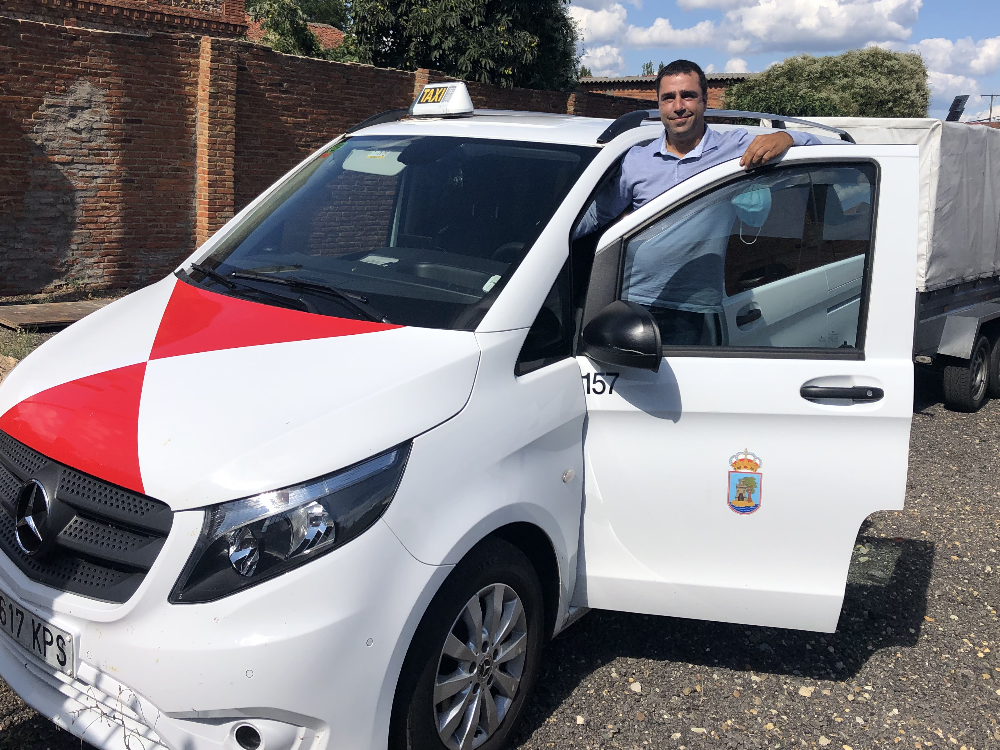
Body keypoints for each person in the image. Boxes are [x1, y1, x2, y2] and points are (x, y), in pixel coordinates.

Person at [575, 59, 834, 345]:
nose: (678, 106)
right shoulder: (636, 160)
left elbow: (839, 150)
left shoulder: (732, 149)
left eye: (688, 95)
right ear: (660, 105)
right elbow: (593, 216)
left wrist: (787, 137)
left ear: (705, 101)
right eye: (668, 98)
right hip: (630, 302)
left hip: (695, 310)